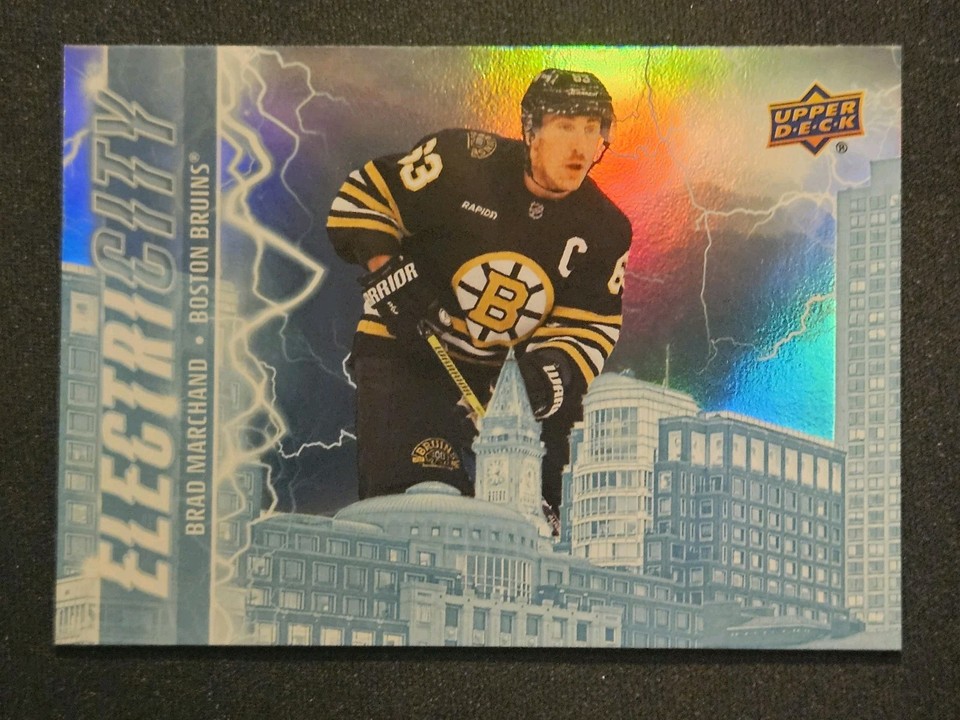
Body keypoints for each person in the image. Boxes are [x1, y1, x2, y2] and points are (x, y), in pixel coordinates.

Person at [326, 68, 633, 508]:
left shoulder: (606, 229)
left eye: (591, 129)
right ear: (531, 130)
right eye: (566, 126)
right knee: (418, 501)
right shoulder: (461, 159)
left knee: (547, 510)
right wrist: (388, 272)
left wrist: (547, 374)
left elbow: (590, 327)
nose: (581, 146)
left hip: (501, 377)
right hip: (408, 350)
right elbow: (365, 197)